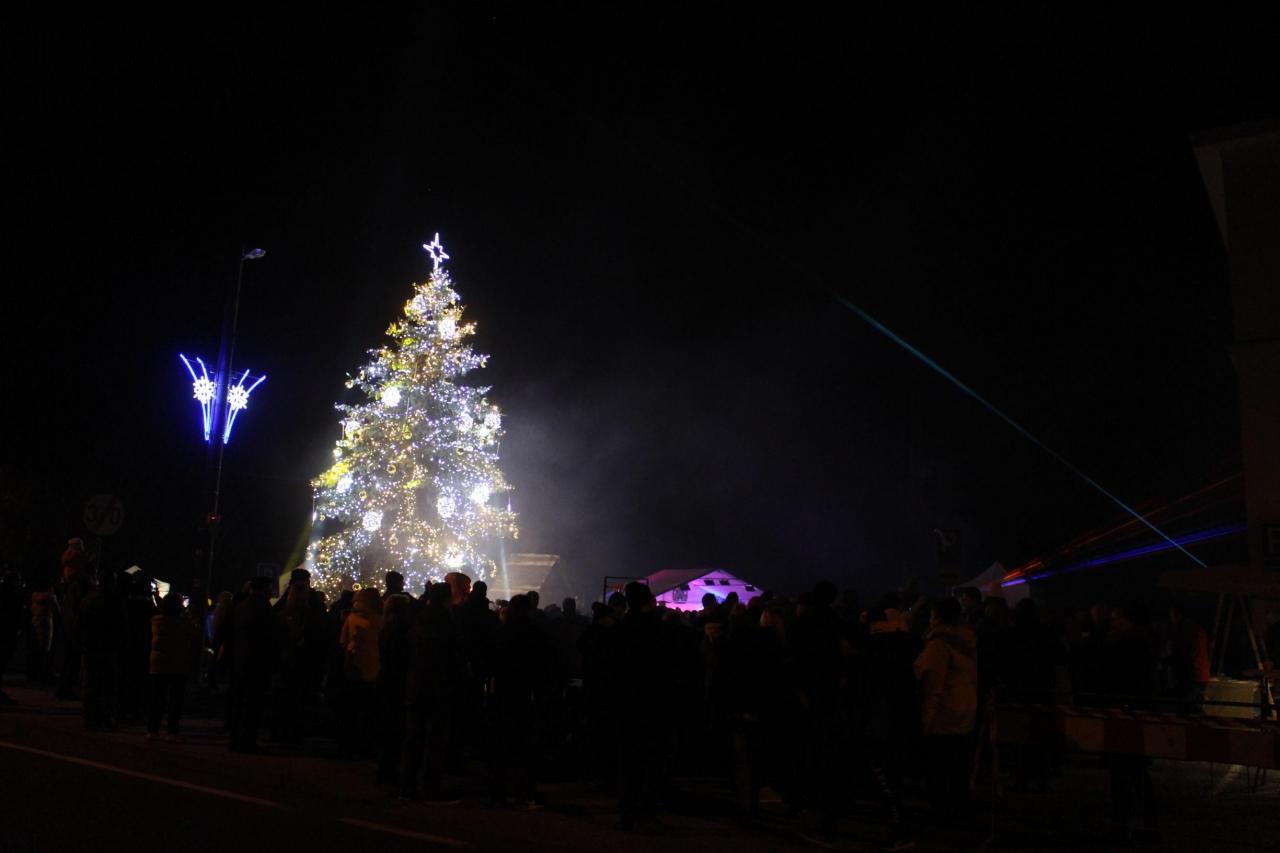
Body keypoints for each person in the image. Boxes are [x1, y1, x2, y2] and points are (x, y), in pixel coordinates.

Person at [913, 596, 977, 823]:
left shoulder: (938, 645)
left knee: (938, 769)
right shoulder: (968, 642)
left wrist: (926, 720)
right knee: (960, 768)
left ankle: (941, 811)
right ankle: (961, 807)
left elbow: (934, 686)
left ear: (937, 617)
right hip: (965, 711)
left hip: (943, 715)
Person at [401, 583, 465, 802]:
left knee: (413, 737)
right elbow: (454, 657)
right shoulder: (447, 623)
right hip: (439, 687)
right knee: (435, 739)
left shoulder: (419, 619)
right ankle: (430, 787)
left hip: (417, 684)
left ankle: (407, 785)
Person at [1101, 602, 1159, 844]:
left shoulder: (1123, 644)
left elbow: (1111, 675)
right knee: (1135, 771)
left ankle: (1122, 825)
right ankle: (1146, 824)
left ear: (1126, 620)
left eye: (1116, 618)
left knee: (1123, 772)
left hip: (1123, 711)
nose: (1112, 623)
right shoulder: (1143, 642)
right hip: (1136, 711)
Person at [228, 577, 278, 753]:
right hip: (257, 661)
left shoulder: (241, 606)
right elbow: (270, 633)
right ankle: (247, 740)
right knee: (253, 703)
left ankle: (235, 738)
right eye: (269, 589)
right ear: (263, 589)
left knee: (239, 701)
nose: (271, 592)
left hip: (241, 659)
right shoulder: (263, 607)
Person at [147, 593, 198, 741]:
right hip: (178, 664)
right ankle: (172, 731)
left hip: (158, 663)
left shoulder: (156, 621)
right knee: (175, 700)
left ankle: (152, 729)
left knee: (157, 698)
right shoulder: (184, 622)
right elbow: (194, 634)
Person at [338, 587, 382, 757]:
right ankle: (362, 741)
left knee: (354, 705)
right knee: (366, 705)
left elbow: (343, 641)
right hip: (371, 666)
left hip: (355, 665)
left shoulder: (352, 618)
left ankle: (351, 741)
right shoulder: (377, 619)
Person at [79, 570, 124, 730]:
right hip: (107, 647)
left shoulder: (87, 601)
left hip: (90, 646)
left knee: (90, 684)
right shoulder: (115, 602)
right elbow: (120, 626)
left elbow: (80, 624)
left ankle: (89, 717)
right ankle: (105, 718)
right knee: (107, 686)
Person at [1165, 604, 1209, 714]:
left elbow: (1185, 654)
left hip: (1191, 675)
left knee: (1185, 708)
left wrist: (1170, 660)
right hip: (1200, 674)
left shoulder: (1185, 630)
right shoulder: (1197, 629)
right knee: (1194, 707)